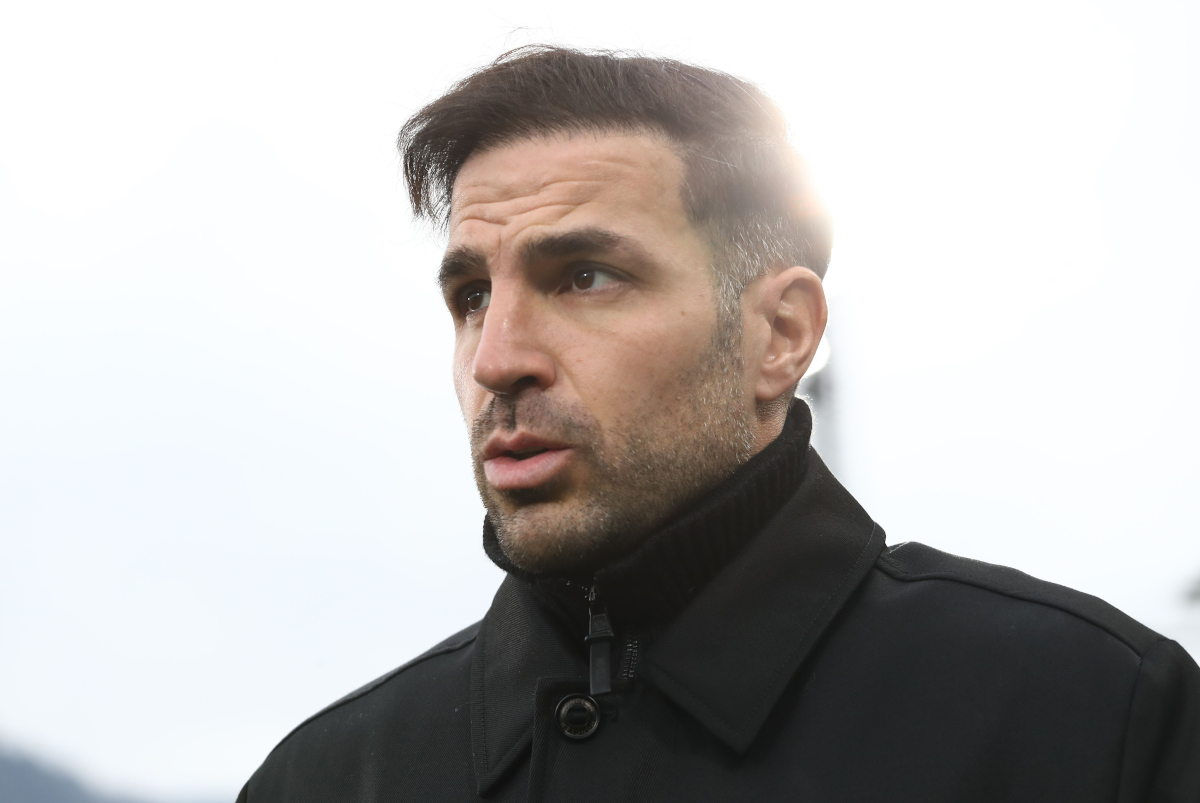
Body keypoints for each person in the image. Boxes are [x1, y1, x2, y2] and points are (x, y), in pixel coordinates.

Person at [237, 46, 1200, 801]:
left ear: (781, 333)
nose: (497, 358)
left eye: (584, 276)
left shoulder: (1089, 717)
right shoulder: (324, 780)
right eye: (471, 295)